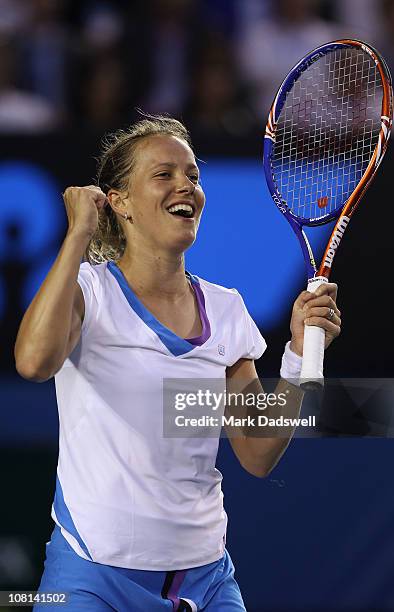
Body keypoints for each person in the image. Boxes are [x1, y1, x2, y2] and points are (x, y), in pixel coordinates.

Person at [14, 115, 341, 611]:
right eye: (163, 174)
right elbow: (34, 362)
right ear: (119, 201)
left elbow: (257, 453)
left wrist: (296, 356)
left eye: (191, 174)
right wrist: (78, 234)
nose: (184, 185)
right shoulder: (89, 292)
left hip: (205, 581)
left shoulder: (227, 309)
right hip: (91, 577)